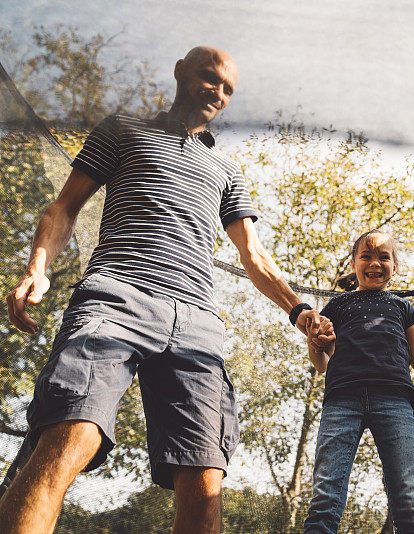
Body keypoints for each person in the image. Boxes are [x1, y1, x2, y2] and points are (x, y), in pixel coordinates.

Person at [0, 46, 331, 534]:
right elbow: (64, 207)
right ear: (180, 73)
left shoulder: (226, 171)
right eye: (209, 78)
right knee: (73, 433)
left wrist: (300, 311)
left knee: (204, 478)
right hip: (117, 295)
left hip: (197, 322)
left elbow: (254, 256)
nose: (217, 92)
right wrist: (38, 268)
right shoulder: (123, 129)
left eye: (227, 89)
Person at [302, 230, 414, 534]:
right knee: (326, 494)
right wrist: (313, 343)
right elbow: (322, 365)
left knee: (408, 497)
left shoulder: (401, 307)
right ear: (354, 264)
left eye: (384, 256)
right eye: (366, 256)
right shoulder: (338, 307)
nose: (375, 262)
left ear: (394, 267)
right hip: (342, 400)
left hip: (394, 402)